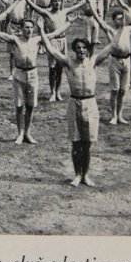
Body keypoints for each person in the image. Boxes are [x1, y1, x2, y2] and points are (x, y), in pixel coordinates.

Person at [40, 31, 116, 187]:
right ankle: (77, 174)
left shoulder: (93, 61)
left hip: (90, 104)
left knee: (87, 143)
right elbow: (51, 49)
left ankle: (86, 175)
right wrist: (41, 30)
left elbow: (111, 47)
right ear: (74, 50)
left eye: (84, 48)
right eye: (78, 48)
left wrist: (117, 28)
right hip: (74, 103)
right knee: (76, 143)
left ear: (87, 49)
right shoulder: (68, 63)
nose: (81, 50)